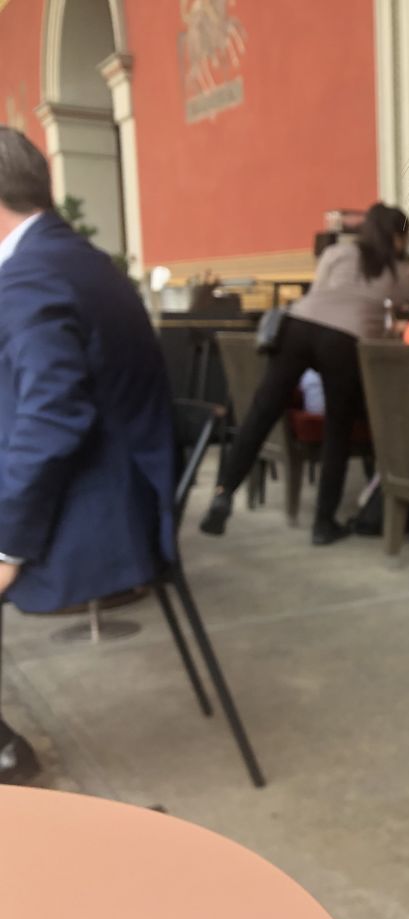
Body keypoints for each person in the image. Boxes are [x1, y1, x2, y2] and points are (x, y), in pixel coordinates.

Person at [0, 128, 175, 784]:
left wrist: (8, 547)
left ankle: (5, 755)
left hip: (101, 516)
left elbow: (51, 420)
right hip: (107, 485)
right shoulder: (69, 256)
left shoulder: (31, 273)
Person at [199, 203, 409, 545]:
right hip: (343, 343)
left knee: (261, 412)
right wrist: (402, 316)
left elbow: (321, 292)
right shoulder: (399, 272)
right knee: (337, 430)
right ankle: (323, 524)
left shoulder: (337, 252)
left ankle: (223, 492)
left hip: (299, 326)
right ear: (397, 237)